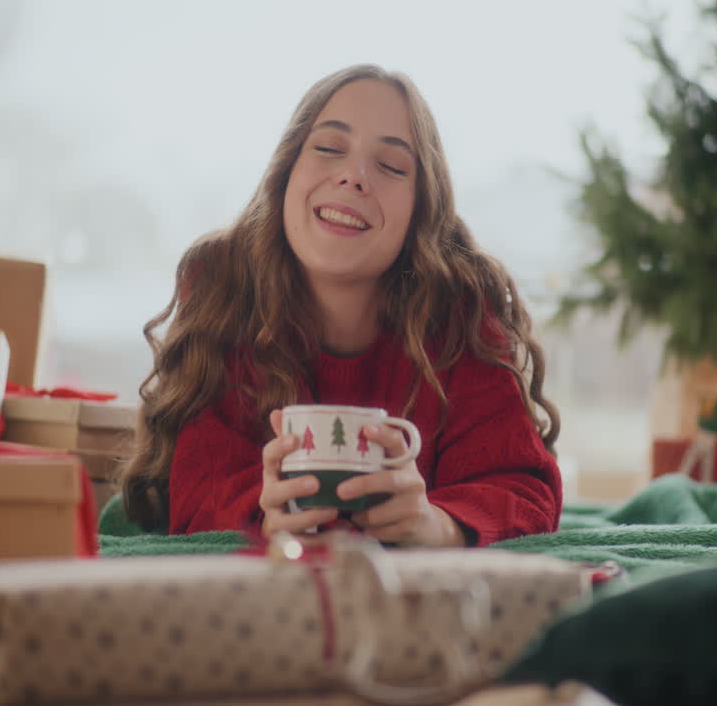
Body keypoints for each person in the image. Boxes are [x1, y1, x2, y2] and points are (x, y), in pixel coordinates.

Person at [121, 64, 562, 547]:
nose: (354, 177)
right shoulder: (225, 286)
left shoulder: (460, 309)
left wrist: (435, 523)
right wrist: (266, 517)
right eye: (329, 148)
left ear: (420, 211)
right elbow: (197, 490)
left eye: (392, 166)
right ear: (286, 170)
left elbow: (523, 490)